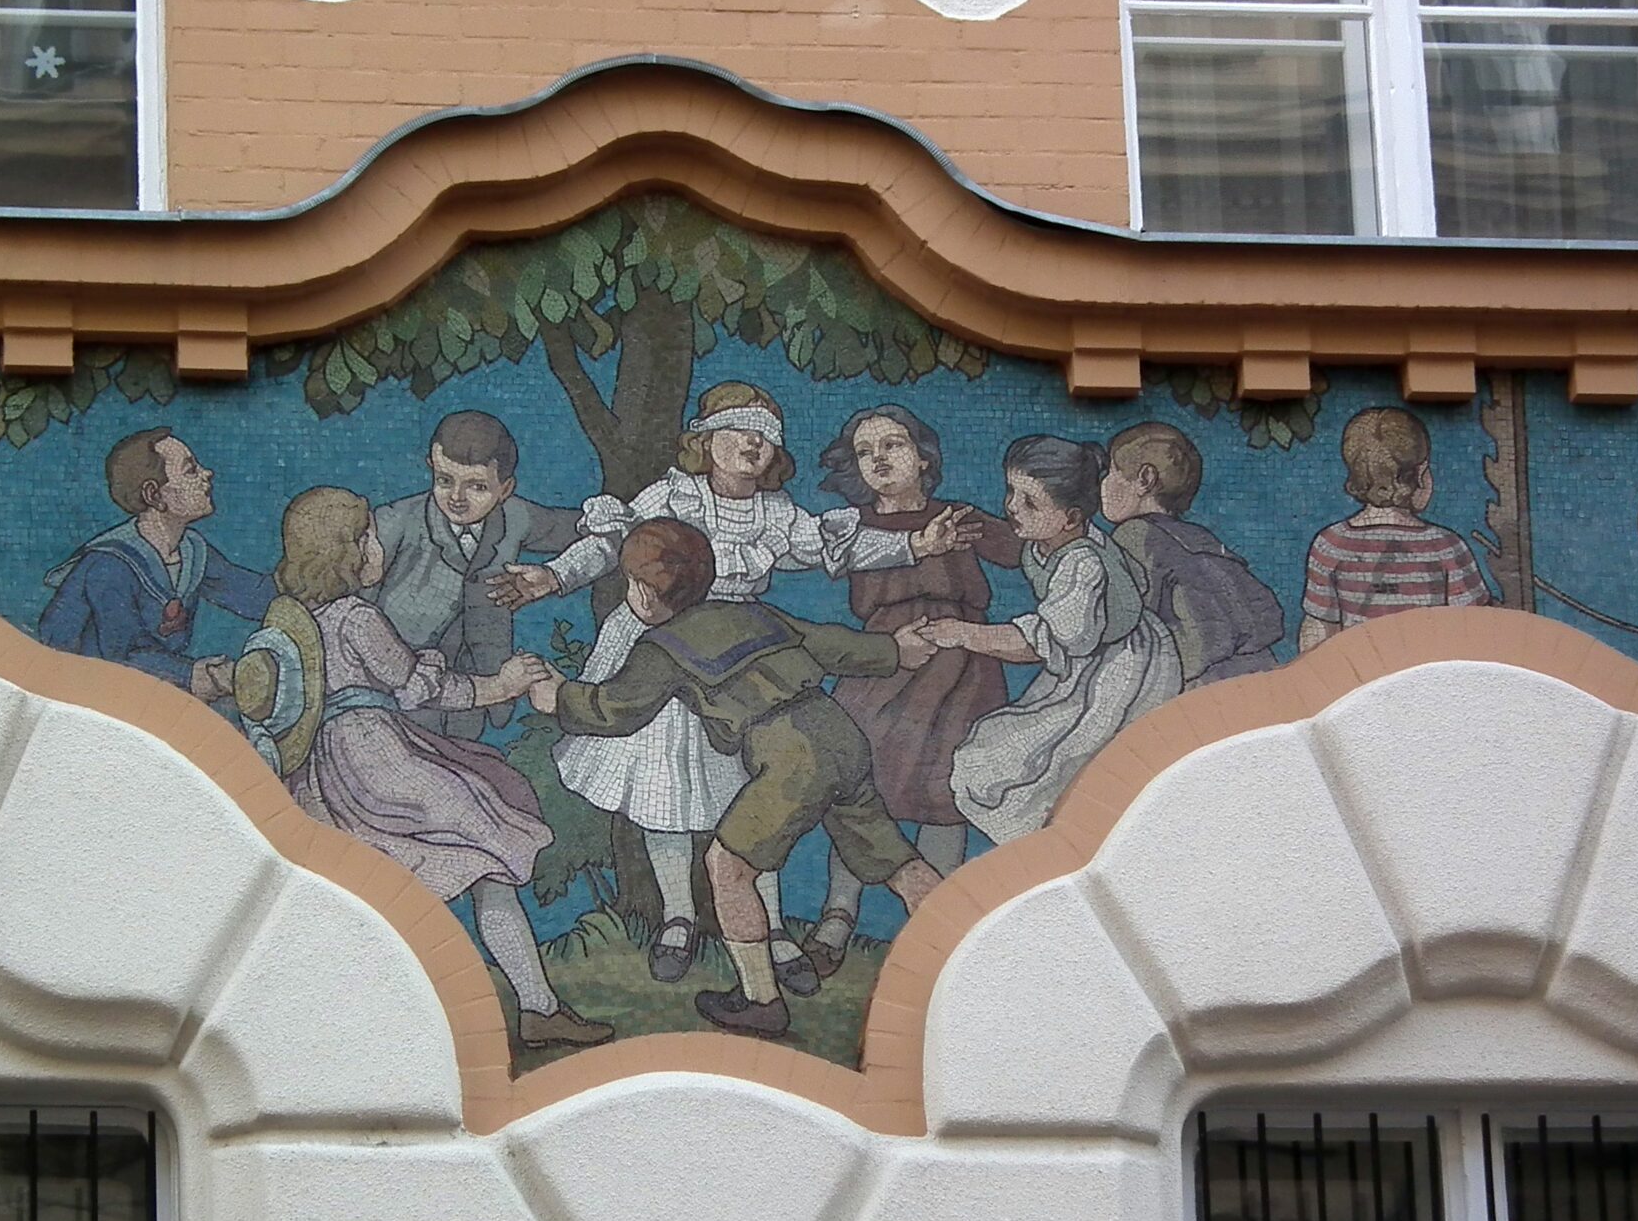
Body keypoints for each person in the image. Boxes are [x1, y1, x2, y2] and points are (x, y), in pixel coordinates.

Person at [490, 381, 977, 986]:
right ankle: (677, 917)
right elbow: (612, 543)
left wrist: (911, 544)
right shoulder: (673, 494)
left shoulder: (778, 514)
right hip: (658, 640)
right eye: (738, 431)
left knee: (751, 799)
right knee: (663, 788)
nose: (751, 444)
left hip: (738, 659)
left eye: (763, 437)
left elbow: (839, 551)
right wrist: (553, 577)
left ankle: (771, 930)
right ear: (706, 440)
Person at [531, 519, 943, 1039]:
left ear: (643, 593)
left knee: (727, 867)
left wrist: (558, 698)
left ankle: (760, 1000)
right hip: (837, 733)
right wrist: (894, 651)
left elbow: (617, 709)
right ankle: (960, 952)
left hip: (791, 759)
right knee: (893, 857)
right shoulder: (749, 612)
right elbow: (825, 643)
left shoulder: (662, 646)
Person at [273, 487, 611, 1049]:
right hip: (379, 764)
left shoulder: (296, 619)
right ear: (348, 551)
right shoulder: (357, 618)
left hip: (327, 771)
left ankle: (512, 1009)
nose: (378, 546)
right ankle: (536, 1007)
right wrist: (502, 685)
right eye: (369, 537)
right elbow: (421, 689)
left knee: (414, 880)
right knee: (488, 849)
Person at [805, 404, 1020, 977]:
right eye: (865, 451)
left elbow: (1030, 548)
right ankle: (836, 917)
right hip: (882, 662)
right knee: (855, 786)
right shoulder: (849, 527)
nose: (878, 458)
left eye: (892, 445)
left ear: (923, 457)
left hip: (962, 670)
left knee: (943, 792)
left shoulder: (958, 518)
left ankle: (933, 932)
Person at [932, 436, 1182, 846]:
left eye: (1029, 501)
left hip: (1119, 671)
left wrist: (963, 633)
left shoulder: (1082, 565)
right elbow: (1017, 546)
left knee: (1050, 760)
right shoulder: (1054, 535)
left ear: (1070, 518)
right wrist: (975, 525)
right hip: (1089, 657)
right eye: (1012, 491)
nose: (1012, 506)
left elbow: (1035, 643)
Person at [368, 409, 584, 739]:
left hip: (476, 687)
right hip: (399, 691)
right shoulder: (393, 523)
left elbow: (577, 528)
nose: (456, 497)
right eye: (445, 480)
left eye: (477, 486)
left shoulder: (515, 517)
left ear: (505, 489)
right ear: (431, 467)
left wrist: (554, 573)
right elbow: (350, 602)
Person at [37, 425, 274, 705]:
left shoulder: (192, 551)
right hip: (88, 699)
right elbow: (126, 654)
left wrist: (306, 578)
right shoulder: (110, 565)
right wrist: (197, 674)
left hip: (145, 694)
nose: (207, 473)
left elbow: (254, 596)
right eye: (191, 470)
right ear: (154, 495)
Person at [1099, 420, 1283, 690]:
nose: (1103, 484)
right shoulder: (1198, 537)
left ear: (1144, 479)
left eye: (1111, 471)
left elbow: (1125, 622)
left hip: (1198, 685)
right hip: (1257, 674)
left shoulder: (1135, 534)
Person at [1299, 406, 1492, 650]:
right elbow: (1471, 629)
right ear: (1421, 474)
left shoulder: (1330, 543)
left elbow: (1319, 631)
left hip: (1358, 669)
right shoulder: (1447, 546)